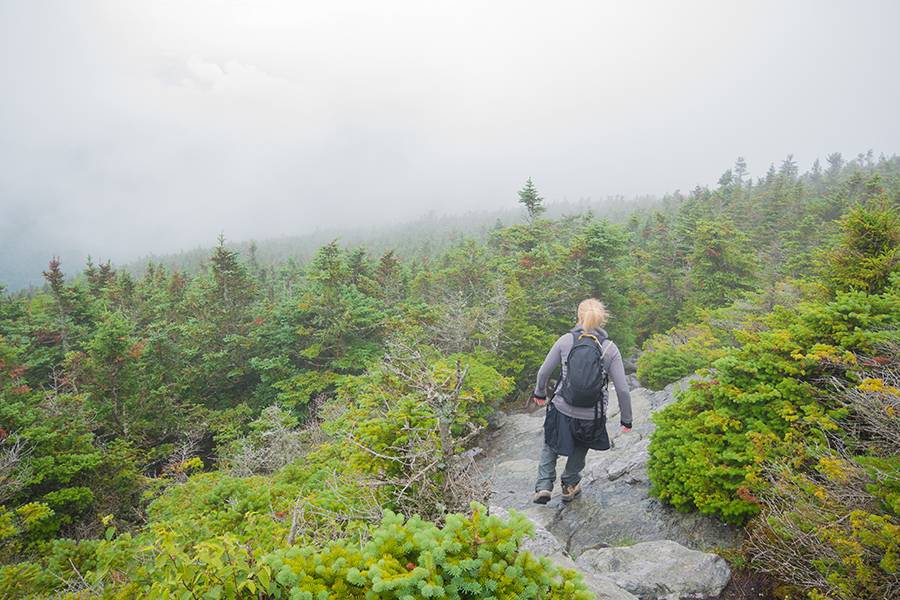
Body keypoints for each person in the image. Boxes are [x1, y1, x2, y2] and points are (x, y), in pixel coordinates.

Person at [532, 298, 632, 504]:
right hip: (592, 414)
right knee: (581, 445)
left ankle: (543, 485)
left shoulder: (566, 340)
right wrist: (626, 420)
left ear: (579, 316)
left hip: (562, 407)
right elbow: (622, 389)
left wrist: (540, 393)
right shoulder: (609, 348)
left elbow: (544, 372)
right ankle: (569, 484)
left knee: (551, 442)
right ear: (602, 319)